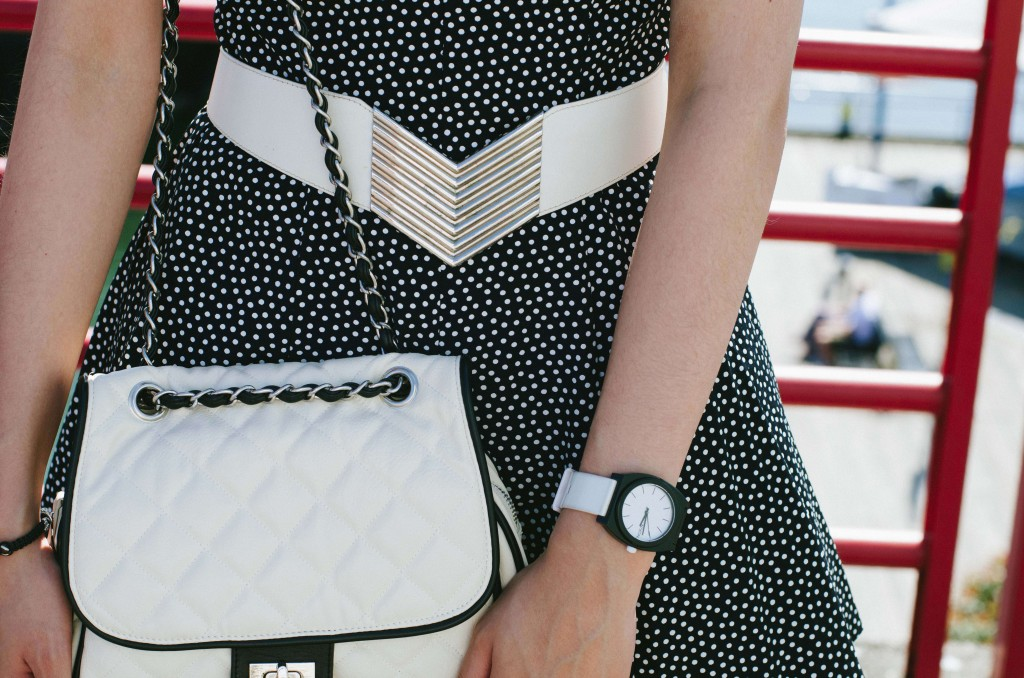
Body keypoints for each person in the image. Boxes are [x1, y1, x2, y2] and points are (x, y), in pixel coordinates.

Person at [0, 0, 864, 675]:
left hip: (616, 365)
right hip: (253, 322)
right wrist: (4, 533)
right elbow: (89, 54)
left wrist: (611, 542)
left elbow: (736, 86)